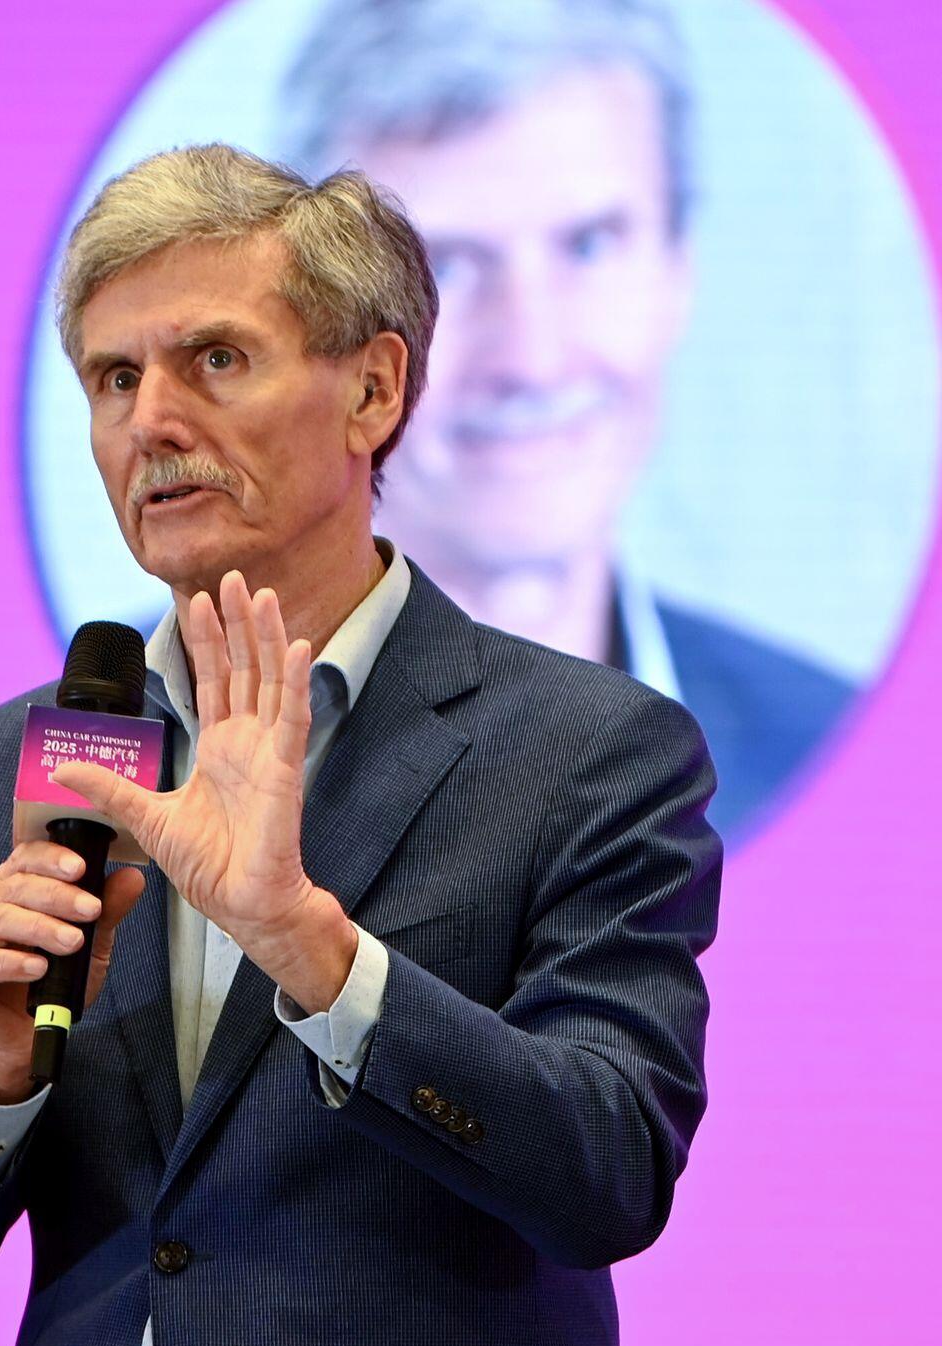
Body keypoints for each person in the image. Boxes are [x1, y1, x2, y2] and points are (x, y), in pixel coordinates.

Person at [0, 145, 719, 1346]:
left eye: (215, 360)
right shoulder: (12, 765)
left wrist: (309, 948)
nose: (151, 421)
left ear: (372, 392)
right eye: (114, 378)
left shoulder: (586, 752)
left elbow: (607, 1172)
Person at [274, 0, 850, 837]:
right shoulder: (137, 746)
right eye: (444, 268)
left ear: (677, 270)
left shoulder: (835, 750)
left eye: (588, 245)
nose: (532, 359)